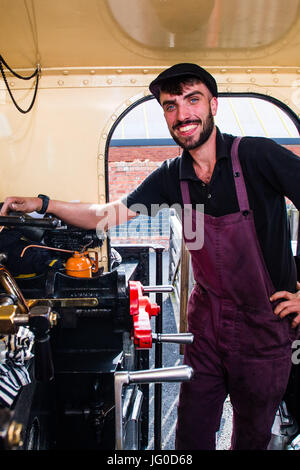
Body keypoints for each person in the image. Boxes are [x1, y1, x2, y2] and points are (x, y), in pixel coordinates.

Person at [1, 63, 300, 450]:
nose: (182, 115)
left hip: (265, 326)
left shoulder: (258, 156)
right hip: (207, 324)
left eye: (192, 100)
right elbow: (105, 216)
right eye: (170, 106)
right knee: (191, 434)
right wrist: (44, 204)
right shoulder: (172, 175)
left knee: (252, 434)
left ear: (213, 105)